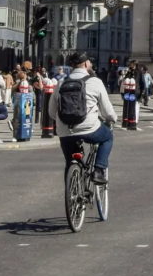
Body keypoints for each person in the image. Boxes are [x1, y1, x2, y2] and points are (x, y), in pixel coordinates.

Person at [49, 51, 117, 184]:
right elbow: (107, 111)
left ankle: (71, 193)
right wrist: (113, 119)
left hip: (64, 130)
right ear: (86, 64)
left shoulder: (61, 82)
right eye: (90, 62)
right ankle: (99, 169)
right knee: (107, 138)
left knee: (69, 162)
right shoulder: (95, 81)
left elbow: (52, 111)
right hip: (89, 128)